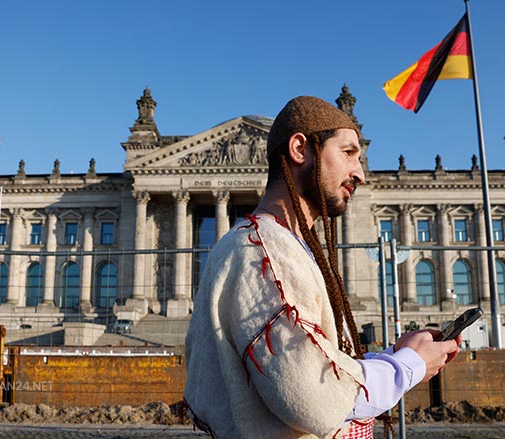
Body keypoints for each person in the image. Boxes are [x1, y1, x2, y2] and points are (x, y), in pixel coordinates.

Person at [184, 96, 460, 439]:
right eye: (348, 153)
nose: (360, 172)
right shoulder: (259, 250)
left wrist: (396, 354)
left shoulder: (288, 247)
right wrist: (408, 366)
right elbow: (312, 396)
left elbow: (314, 364)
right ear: (301, 149)